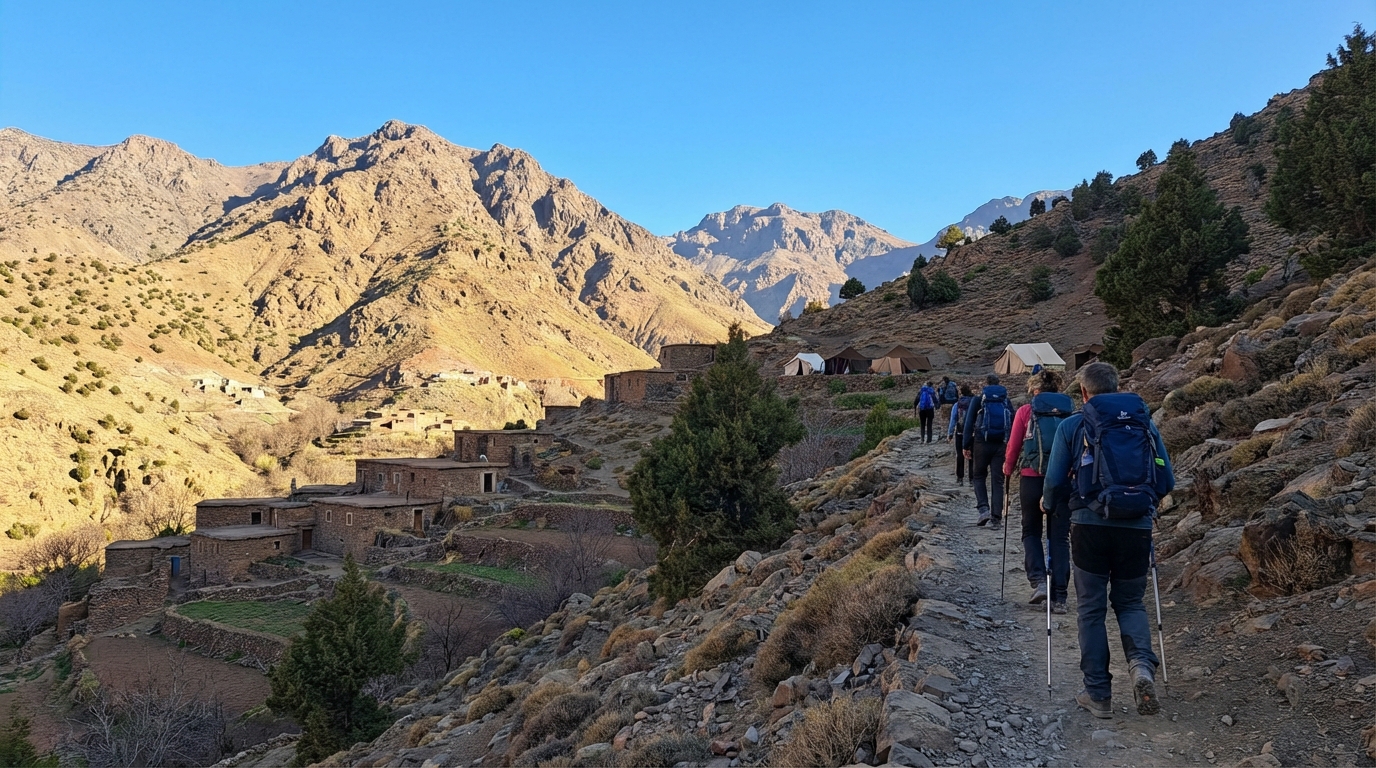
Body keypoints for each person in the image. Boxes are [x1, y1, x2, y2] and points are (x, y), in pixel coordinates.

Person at [1041, 362, 1175, 720]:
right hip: (1137, 527)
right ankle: (1142, 668)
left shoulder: (1072, 425)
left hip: (1089, 527)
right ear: (1118, 387)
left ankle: (1099, 695)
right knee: (1131, 604)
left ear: (1083, 393)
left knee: (1091, 610)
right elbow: (1167, 480)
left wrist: (1049, 505)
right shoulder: (1144, 423)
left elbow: (1054, 482)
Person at [1004, 369, 1072, 612]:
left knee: (1031, 530)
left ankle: (1039, 581)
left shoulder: (1026, 411)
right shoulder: (1069, 412)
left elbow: (1013, 445)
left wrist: (1008, 468)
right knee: (1060, 536)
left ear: (1035, 389)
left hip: (1032, 479)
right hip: (1063, 480)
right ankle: (1060, 597)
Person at [962, 374, 1012, 526]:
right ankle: (996, 517)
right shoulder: (1005, 400)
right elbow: (1013, 420)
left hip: (981, 443)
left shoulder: (978, 400)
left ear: (986, 384)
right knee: (998, 480)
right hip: (1000, 444)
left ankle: (984, 509)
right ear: (998, 383)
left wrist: (965, 445)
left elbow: (969, 422)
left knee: (978, 476)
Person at [946, 383, 974, 484]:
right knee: (972, 456)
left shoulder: (957, 404)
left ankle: (960, 477)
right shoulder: (973, 403)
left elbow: (953, 420)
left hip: (959, 433)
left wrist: (950, 434)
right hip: (972, 434)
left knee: (959, 455)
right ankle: (972, 478)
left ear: (961, 393)